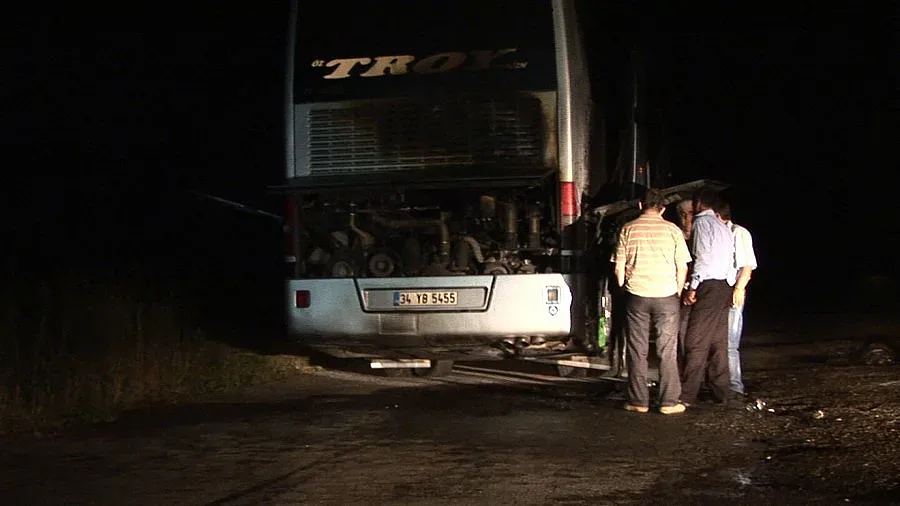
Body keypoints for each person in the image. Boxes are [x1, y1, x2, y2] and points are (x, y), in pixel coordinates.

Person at [611, 189, 692, 414]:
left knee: (637, 349)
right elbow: (682, 266)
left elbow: (618, 266)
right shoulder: (673, 230)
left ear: (640, 205)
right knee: (667, 349)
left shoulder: (628, 229)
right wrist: (676, 291)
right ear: (663, 209)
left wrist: (623, 288)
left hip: (636, 295)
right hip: (666, 295)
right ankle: (668, 402)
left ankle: (638, 401)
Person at [679, 188, 735, 407]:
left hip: (708, 285)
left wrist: (693, 287)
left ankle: (687, 394)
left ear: (699, 203)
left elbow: (702, 257)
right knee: (718, 341)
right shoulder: (723, 227)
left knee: (695, 341)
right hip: (723, 285)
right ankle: (721, 392)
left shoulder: (702, 224)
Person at [715, 201, 758, 396]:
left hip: (733, 289)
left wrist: (739, 288)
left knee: (730, 342)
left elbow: (746, 265)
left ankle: (735, 385)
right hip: (719, 290)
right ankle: (721, 382)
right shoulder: (720, 234)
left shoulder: (738, 233)